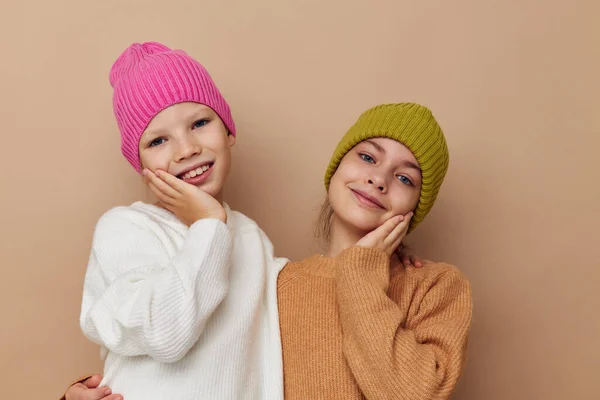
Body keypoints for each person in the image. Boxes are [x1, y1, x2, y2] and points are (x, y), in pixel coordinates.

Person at [63, 103, 472, 400]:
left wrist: (362, 271)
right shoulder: (276, 281)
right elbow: (197, 366)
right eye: (367, 157)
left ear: (416, 206)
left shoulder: (435, 286)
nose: (379, 180)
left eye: (404, 178)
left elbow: (413, 395)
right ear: (336, 168)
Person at [76, 41, 287, 400]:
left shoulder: (251, 237)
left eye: (200, 123)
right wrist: (209, 225)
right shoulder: (125, 228)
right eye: (158, 140)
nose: (186, 149)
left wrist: (386, 261)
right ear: (142, 168)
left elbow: (302, 302)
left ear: (229, 130)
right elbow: (167, 332)